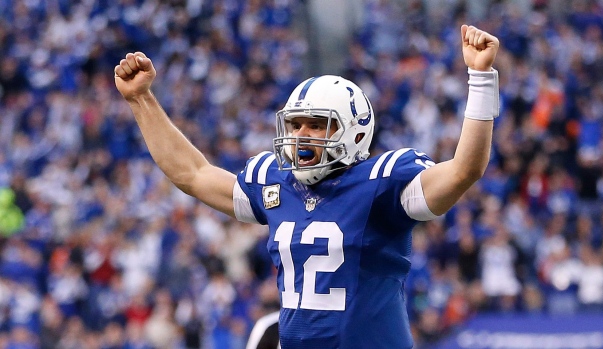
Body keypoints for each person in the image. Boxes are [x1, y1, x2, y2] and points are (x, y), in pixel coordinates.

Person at [114, 25, 500, 349]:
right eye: (296, 125)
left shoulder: (383, 183)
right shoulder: (276, 184)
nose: (301, 136)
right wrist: (141, 101)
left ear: (354, 131)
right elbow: (192, 174)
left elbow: (464, 169)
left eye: (316, 125)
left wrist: (481, 79)